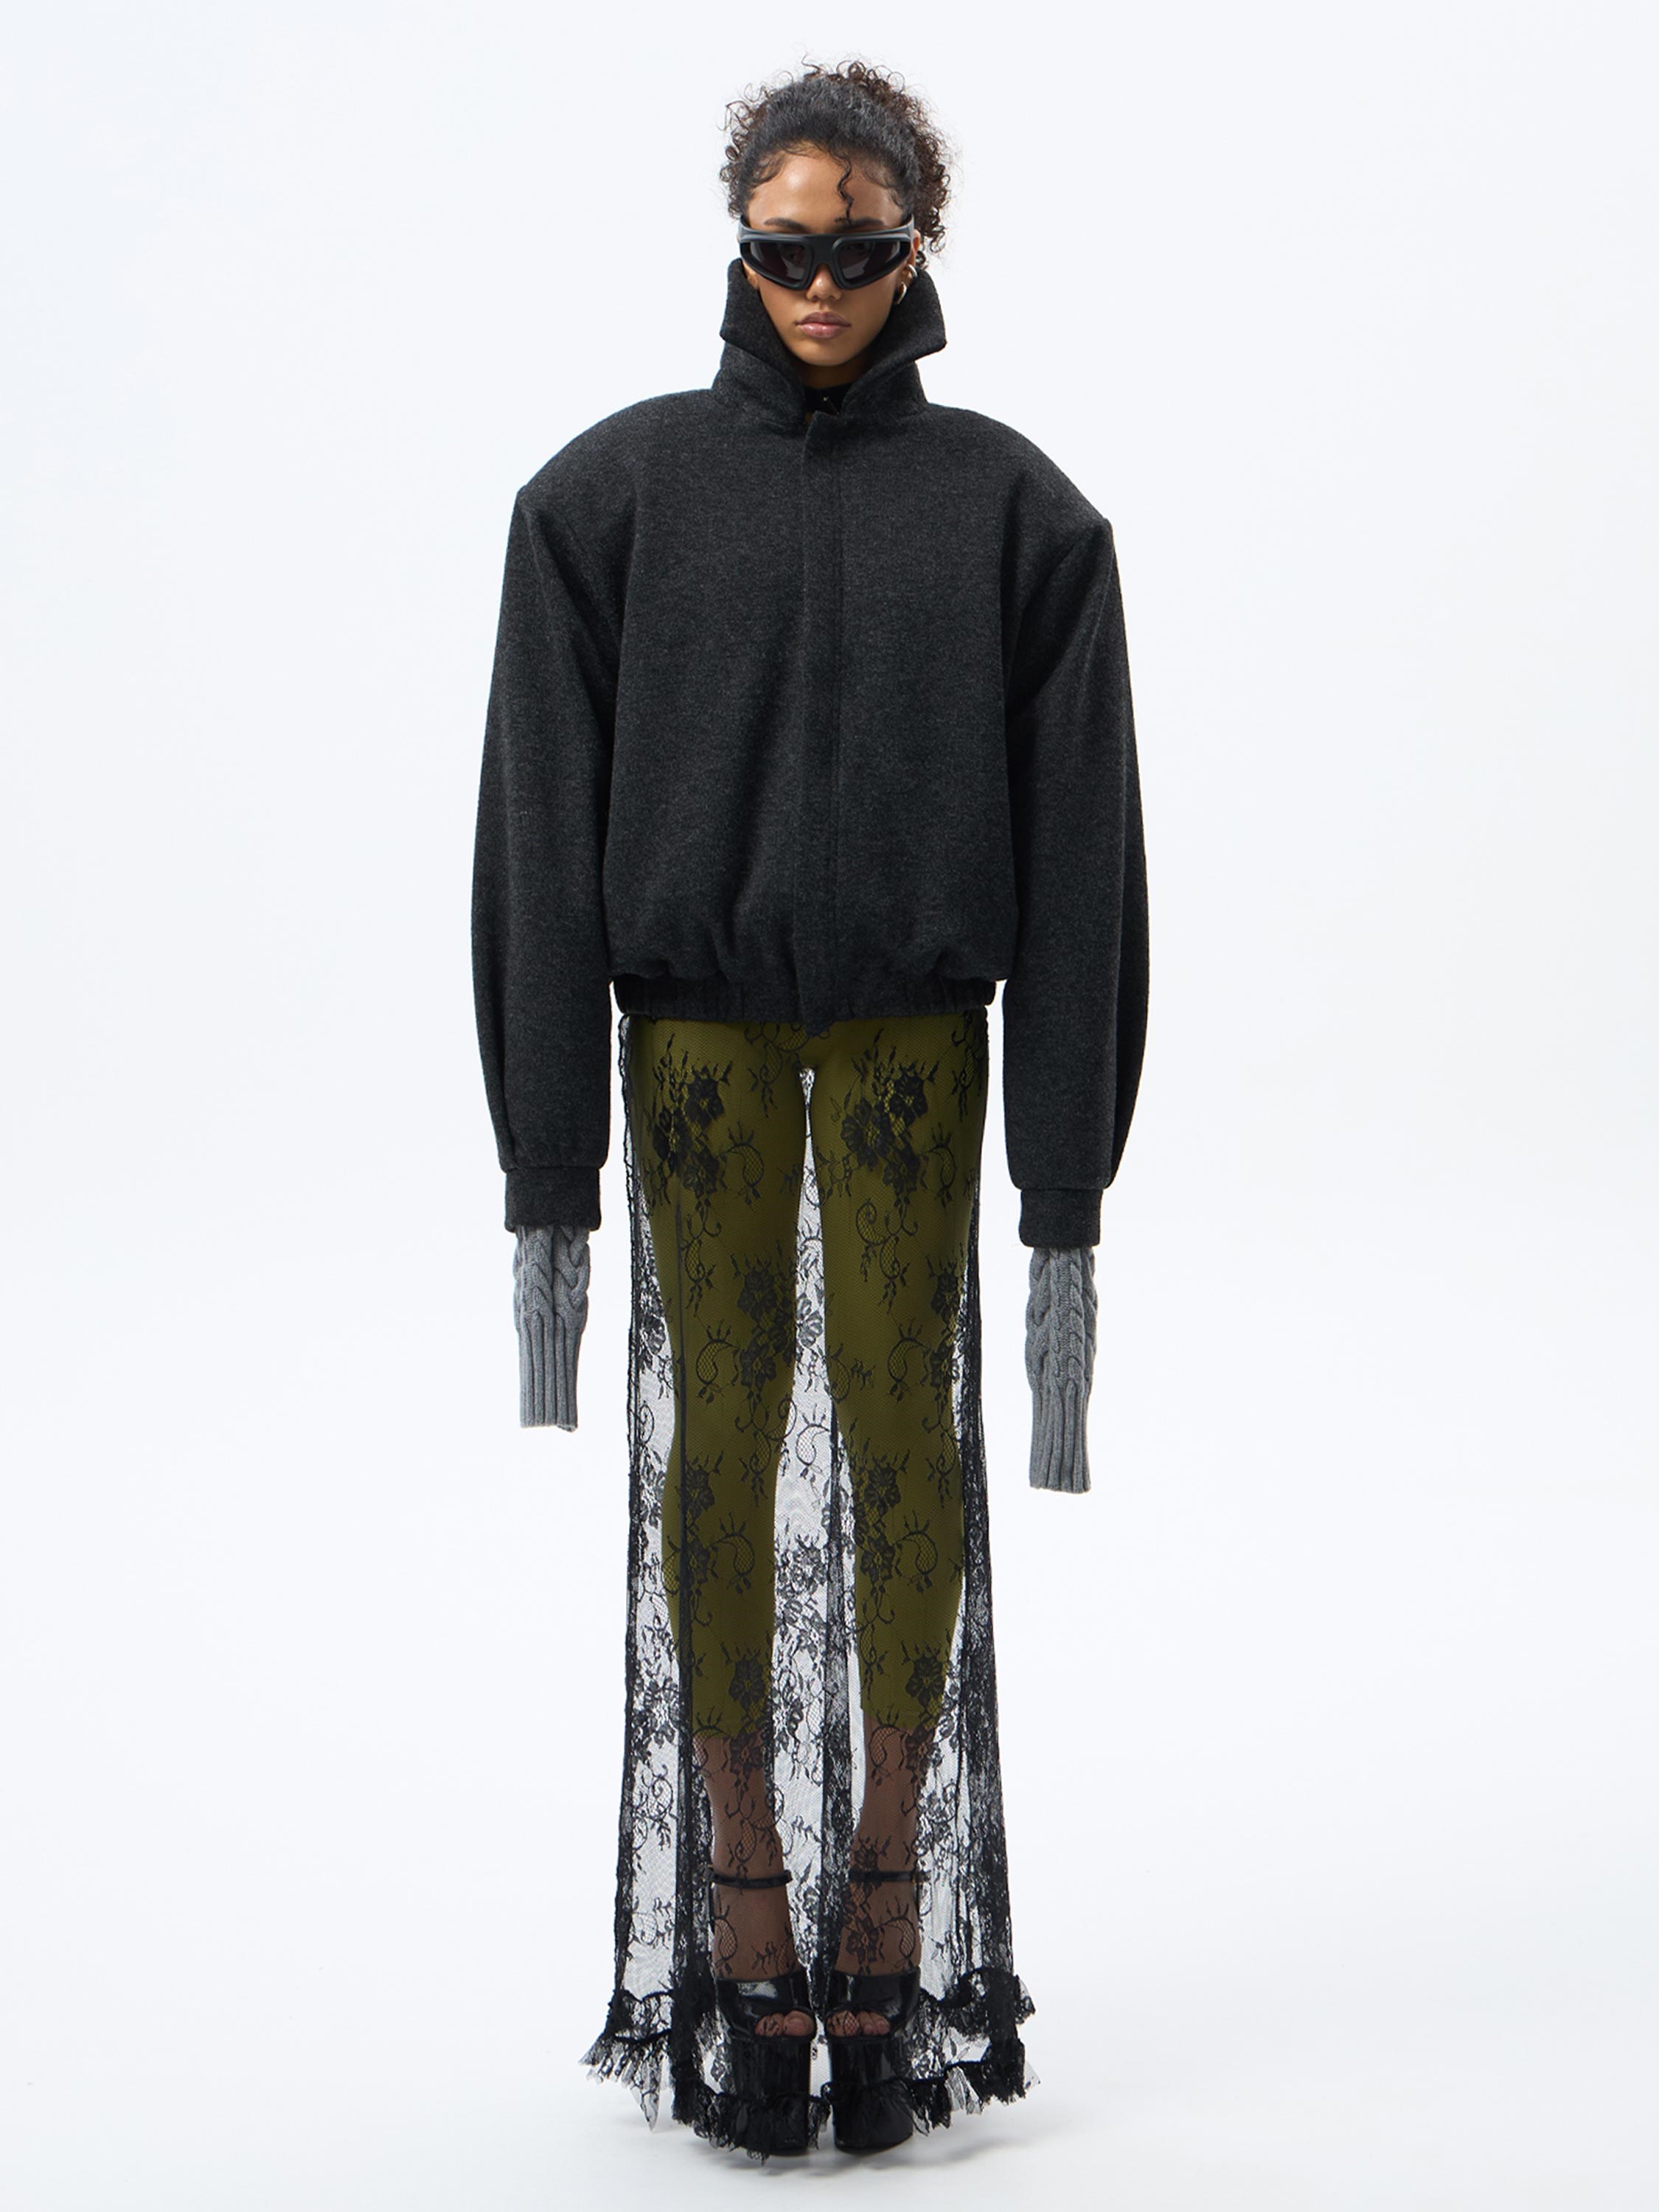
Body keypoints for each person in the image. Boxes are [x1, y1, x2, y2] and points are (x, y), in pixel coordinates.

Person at [471, 57, 1149, 2162]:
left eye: (859, 246)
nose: (823, 283)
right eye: (783, 248)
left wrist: (1063, 1193)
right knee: (719, 1438)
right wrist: (545, 1170)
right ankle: (740, 1890)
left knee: (903, 1442)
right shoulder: (605, 501)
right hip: (687, 1035)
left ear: (919, 242)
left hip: (913, 1038)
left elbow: (1087, 865)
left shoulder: (1020, 515)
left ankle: (886, 1882)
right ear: (737, 246)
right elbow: (534, 839)